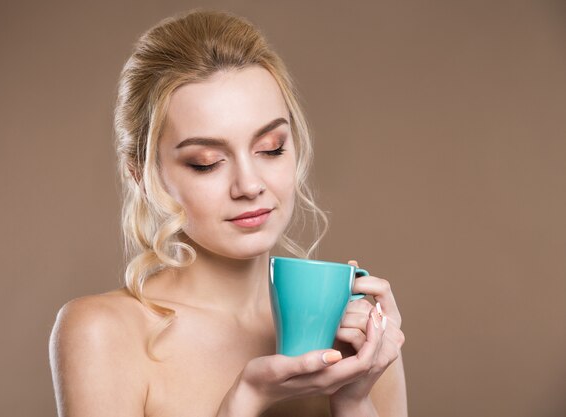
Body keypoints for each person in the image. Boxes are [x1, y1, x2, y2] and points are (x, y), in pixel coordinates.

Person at [49, 9, 406, 417]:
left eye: (271, 148)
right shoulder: (101, 333)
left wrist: (354, 399)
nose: (250, 185)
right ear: (141, 176)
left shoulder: (359, 328)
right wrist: (245, 400)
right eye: (206, 162)